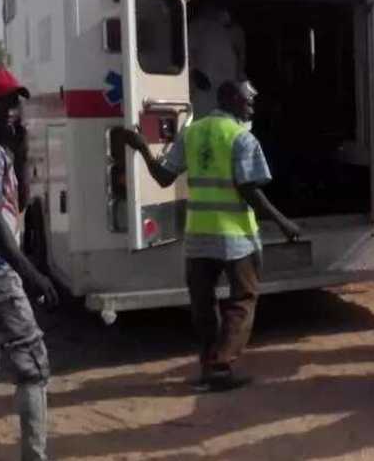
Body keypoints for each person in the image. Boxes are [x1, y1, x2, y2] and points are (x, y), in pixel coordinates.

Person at [117, 81, 300, 392]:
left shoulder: (192, 132)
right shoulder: (242, 138)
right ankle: (221, 364)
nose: (252, 107)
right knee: (243, 299)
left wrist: (142, 148)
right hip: (235, 236)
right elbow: (249, 189)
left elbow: (163, 178)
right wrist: (283, 222)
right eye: (247, 101)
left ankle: (208, 365)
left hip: (198, 236)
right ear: (229, 100)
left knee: (203, 305)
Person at [0, 65, 58, 461]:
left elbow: (16, 206)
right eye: (4, 103)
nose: (14, 111)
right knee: (33, 368)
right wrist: (32, 274)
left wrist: (21, 153)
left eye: (15, 102)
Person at [188, 5, 247, 118]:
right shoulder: (198, 27)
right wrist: (194, 73)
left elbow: (241, 57)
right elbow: (187, 54)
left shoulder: (234, 31)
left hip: (223, 90)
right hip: (205, 89)